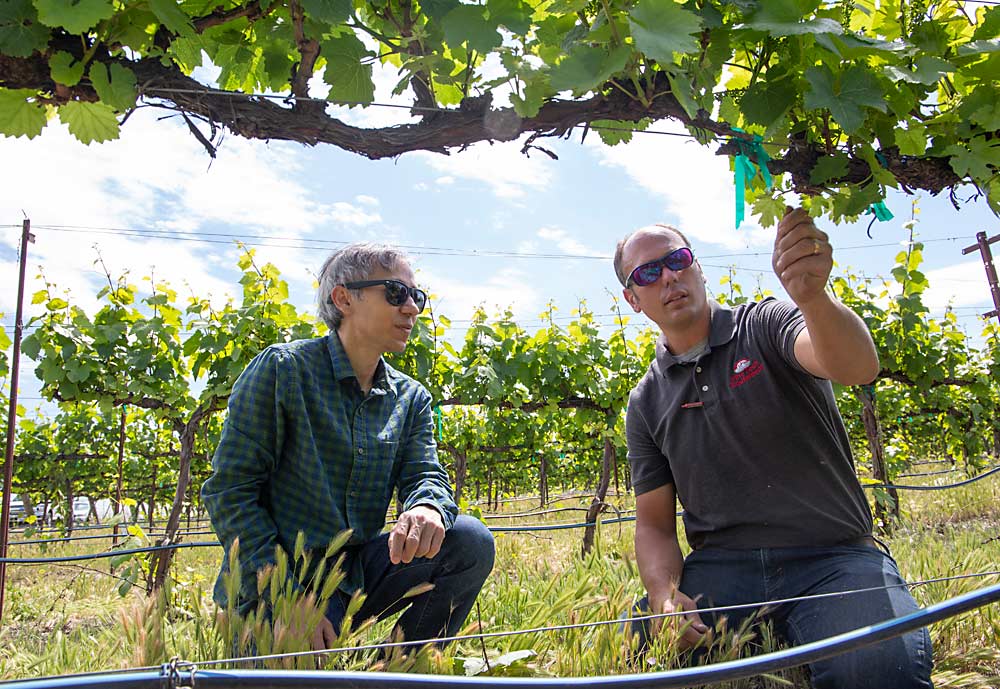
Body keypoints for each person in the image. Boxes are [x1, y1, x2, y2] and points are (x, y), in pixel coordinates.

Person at [615, 208, 932, 688]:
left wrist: (814, 300)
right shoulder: (645, 401)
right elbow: (654, 525)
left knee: (878, 671)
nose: (670, 276)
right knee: (641, 644)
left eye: (677, 259)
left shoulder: (765, 323)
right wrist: (664, 594)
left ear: (698, 266)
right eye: (648, 273)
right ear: (632, 298)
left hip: (832, 557)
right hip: (725, 570)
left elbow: (856, 367)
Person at [203, 243, 495, 655]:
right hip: (273, 588)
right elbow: (229, 491)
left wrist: (427, 507)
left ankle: (394, 676)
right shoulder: (283, 371)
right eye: (396, 292)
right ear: (343, 298)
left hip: (354, 574)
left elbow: (425, 474)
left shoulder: (411, 398)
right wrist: (288, 598)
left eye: (418, 297)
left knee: (471, 541)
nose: (412, 308)